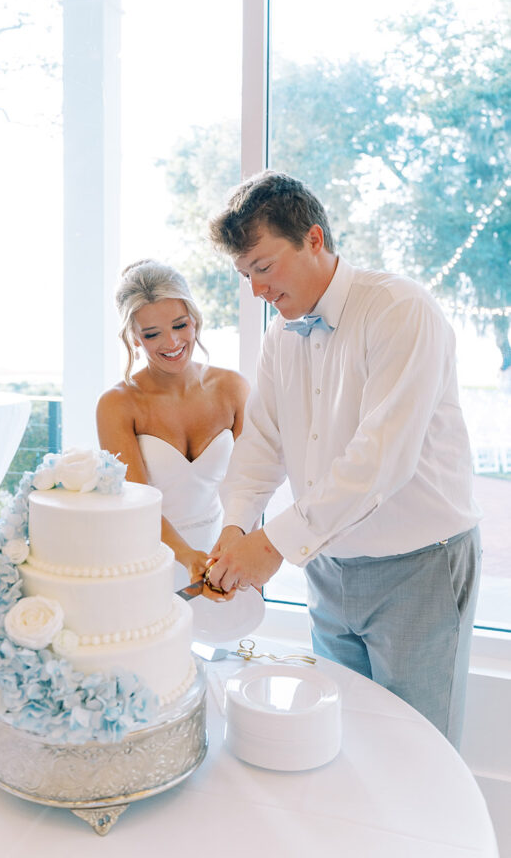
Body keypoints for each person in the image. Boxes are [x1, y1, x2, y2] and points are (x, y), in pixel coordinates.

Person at [204, 171, 481, 746]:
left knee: (417, 750)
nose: (255, 290)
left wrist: (273, 544)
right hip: (327, 569)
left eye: (263, 267)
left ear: (312, 238)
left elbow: (380, 457)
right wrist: (236, 527)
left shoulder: (399, 309)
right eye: (244, 274)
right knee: (343, 741)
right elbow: (261, 443)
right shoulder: (280, 338)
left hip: (419, 566)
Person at [96, 259, 249, 589]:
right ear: (134, 338)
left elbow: (249, 483)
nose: (171, 343)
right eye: (152, 334)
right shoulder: (117, 404)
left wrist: (239, 549)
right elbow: (136, 501)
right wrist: (188, 556)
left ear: (194, 319)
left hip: (222, 554)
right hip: (148, 557)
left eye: (180, 325)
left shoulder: (232, 388)